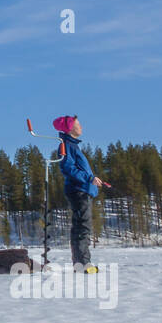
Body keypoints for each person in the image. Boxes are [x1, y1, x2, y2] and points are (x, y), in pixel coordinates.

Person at [53, 115, 104, 274]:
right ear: (70, 128)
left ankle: (80, 263)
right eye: (78, 124)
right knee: (82, 227)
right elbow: (67, 168)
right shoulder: (67, 145)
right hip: (78, 190)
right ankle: (83, 264)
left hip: (83, 190)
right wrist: (89, 178)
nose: (81, 126)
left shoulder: (73, 146)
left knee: (81, 227)